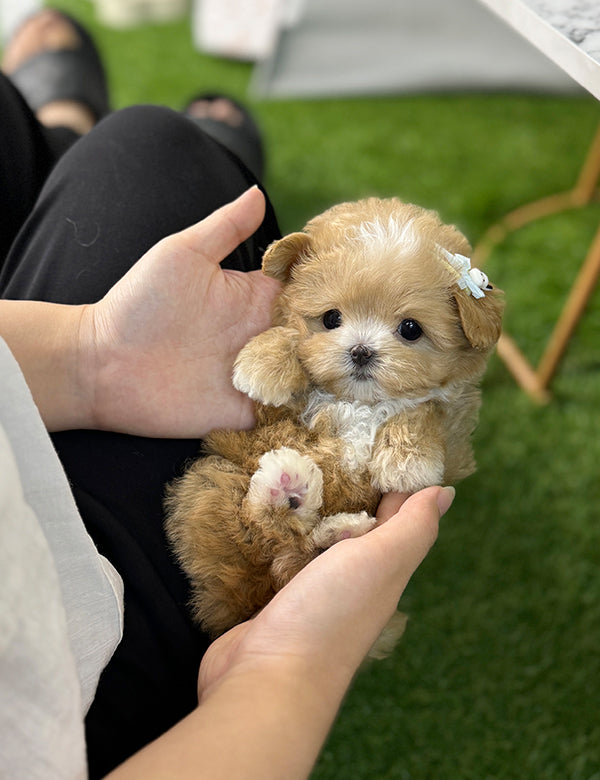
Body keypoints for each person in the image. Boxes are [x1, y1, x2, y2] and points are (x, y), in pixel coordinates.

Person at [0, 9, 454, 778]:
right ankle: (65, 133)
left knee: (101, 151)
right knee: (156, 152)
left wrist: (89, 358)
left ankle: (53, 134)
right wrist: (282, 669)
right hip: (59, 640)